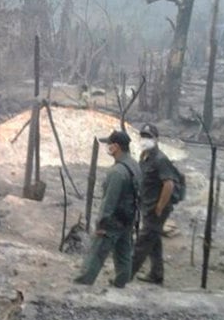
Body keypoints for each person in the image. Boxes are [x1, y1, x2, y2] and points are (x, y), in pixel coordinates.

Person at [74, 131, 141, 288]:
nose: (108, 147)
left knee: (97, 252)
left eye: (109, 144)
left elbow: (109, 201)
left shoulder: (117, 172)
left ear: (116, 147)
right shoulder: (135, 166)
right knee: (124, 252)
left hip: (113, 220)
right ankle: (121, 281)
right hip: (129, 217)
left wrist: (101, 224)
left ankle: (83, 283)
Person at [131, 123, 177, 285]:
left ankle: (124, 275)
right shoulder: (145, 157)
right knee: (154, 241)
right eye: (143, 136)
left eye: (148, 137)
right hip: (147, 206)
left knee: (143, 242)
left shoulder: (160, 159)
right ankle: (157, 274)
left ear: (156, 139)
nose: (145, 139)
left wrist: (159, 207)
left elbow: (169, 184)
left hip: (156, 209)